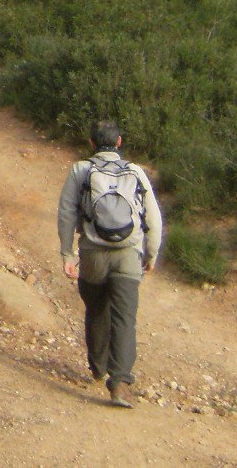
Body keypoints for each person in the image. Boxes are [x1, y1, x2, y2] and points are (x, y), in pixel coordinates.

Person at [57, 120, 163, 408]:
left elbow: (67, 213)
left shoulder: (80, 170)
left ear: (91, 143)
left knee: (96, 308)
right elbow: (153, 219)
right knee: (124, 318)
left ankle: (98, 366)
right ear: (119, 142)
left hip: (92, 253)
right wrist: (150, 255)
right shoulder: (136, 171)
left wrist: (68, 254)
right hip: (128, 254)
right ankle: (118, 383)